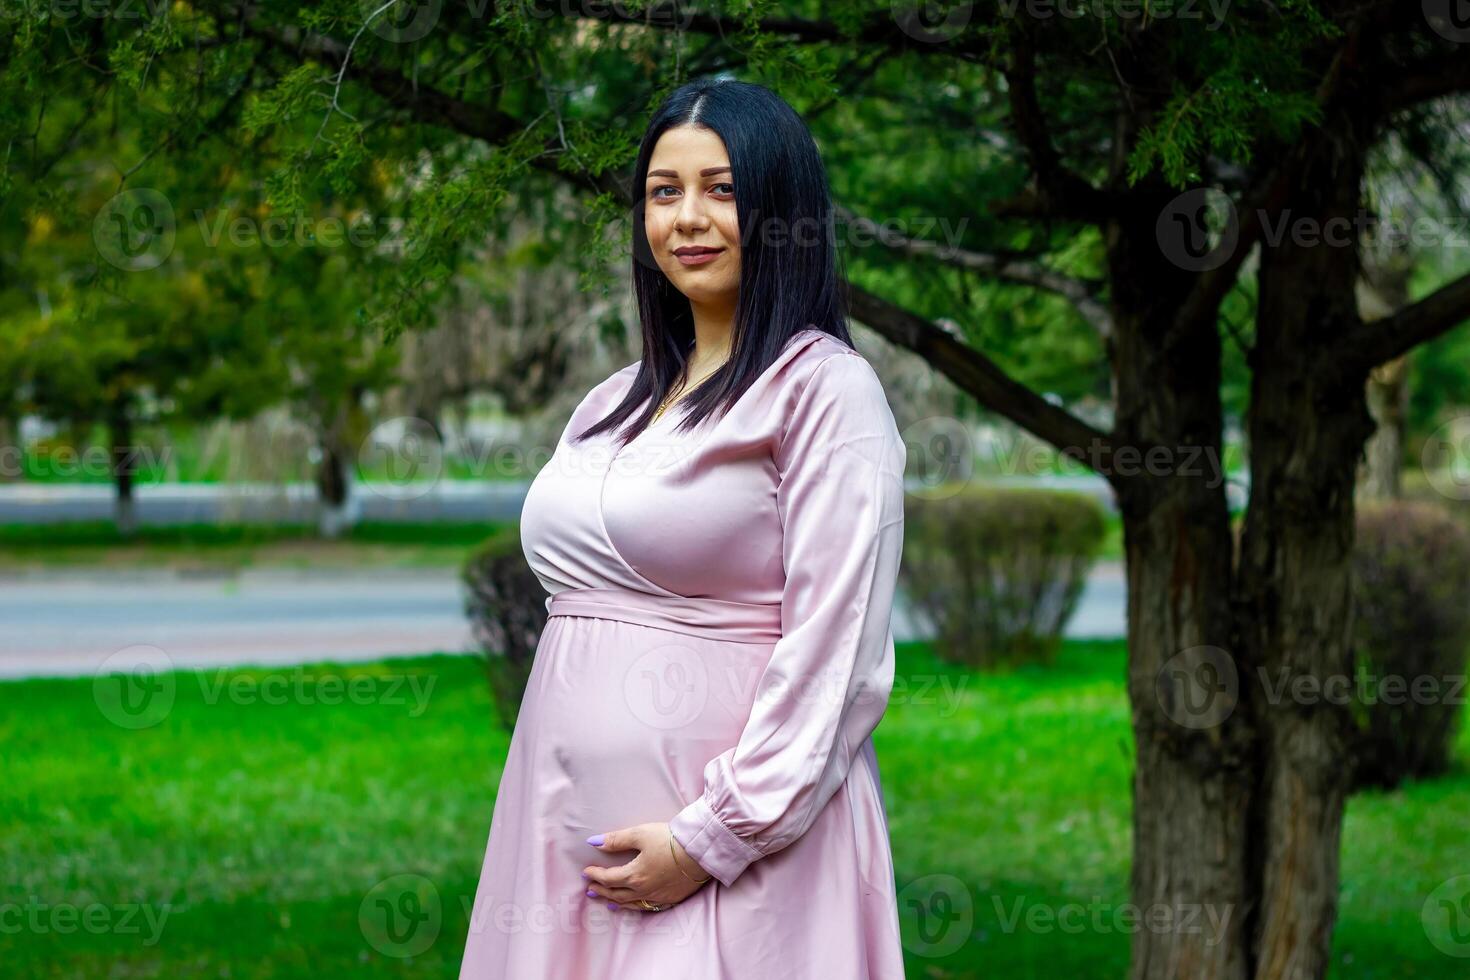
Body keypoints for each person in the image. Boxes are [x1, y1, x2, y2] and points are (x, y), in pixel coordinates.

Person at [458, 77, 908, 978]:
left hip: (736, 867)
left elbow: (838, 656)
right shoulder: (608, 404)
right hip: (564, 839)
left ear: (783, 211)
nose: (687, 218)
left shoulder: (825, 392)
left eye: (724, 189)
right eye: (665, 192)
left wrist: (710, 840)